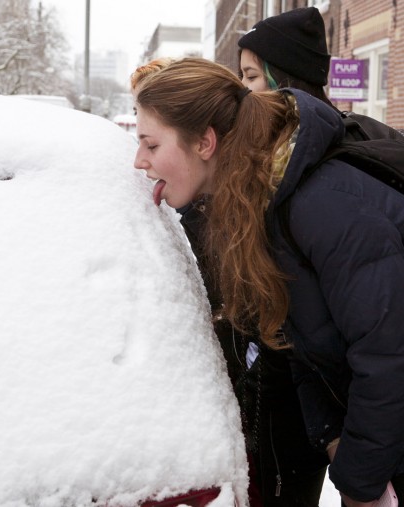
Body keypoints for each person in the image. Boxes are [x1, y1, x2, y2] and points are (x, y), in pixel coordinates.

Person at [133, 57, 404, 507]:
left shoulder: (321, 205)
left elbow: (390, 356)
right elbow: (297, 339)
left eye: (150, 144)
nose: (139, 161)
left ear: (205, 142)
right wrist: (331, 432)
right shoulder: (258, 201)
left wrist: (360, 485)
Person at [237, 6, 403, 139]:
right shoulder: (272, 141)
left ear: (286, 80)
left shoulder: (321, 150)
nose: (242, 86)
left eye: (251, 76)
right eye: (241, 76)